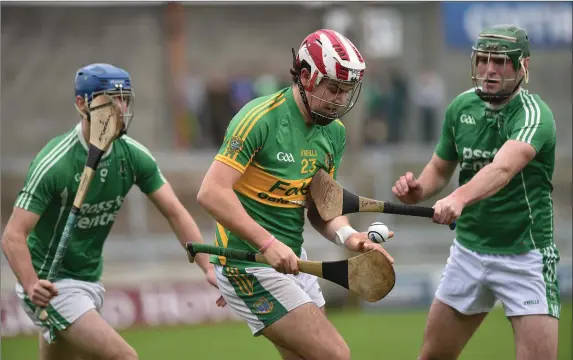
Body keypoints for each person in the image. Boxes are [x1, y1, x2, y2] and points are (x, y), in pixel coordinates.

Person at [1, 63, 224, 360]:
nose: (120, 107)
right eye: (110, 99)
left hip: (89, 279)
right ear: (82, 104)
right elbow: (13, 236)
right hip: (51, 283)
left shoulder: (132, 155)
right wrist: (31, 285)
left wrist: (207, 266)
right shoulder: (56, 163)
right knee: (124, 357)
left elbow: (174, 211)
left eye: (124, 98)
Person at [197, 29, 394, 360]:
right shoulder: (260, 119)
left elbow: (321, 207)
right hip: (247, 262)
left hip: (293, 261)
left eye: (347, 92)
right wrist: (268, 244)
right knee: (336, 355)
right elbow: (212, 193)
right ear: (306, 76)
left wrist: (350, 237)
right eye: (333, 88)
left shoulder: (333, 134)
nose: (340, 100)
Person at [392, 25, 559, 360]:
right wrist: (418, 190)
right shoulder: (461, 108)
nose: (489, 70)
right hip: (468, 253)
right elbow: (441, 168)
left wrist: (458, 198)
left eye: (500, 62)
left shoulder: (535, 115)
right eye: (482, 60)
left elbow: (502, 168)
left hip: (525, 256)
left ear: (522, 66)